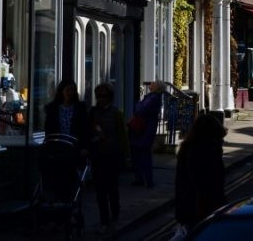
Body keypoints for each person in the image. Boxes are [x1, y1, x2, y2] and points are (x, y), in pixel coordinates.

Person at [174, 113, 227, 236]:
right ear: (210, 135)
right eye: (219, 138)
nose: (222, 141)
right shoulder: (200, 151)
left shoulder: (191, 148)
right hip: (199, 211)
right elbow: (201, 183)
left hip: (194, 209)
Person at [89, 82, 127, 233]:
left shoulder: (116, 113)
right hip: (98, 155)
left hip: (112, 155)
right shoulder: (92, 113)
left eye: (104, 96)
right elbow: (88, 131)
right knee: (100, 190)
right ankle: (104, 218)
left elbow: (123, 136)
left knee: (112, 188)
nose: (101, 99)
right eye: (99, 96)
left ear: (110, 98)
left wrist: (126, 156)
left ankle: (115, 212)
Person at [128, 80, 163, 188]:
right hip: (144, 130)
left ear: (156, 88)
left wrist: (138, 103)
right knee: (141, 155)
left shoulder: (153, 98)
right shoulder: (152, 97)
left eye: (153, 83)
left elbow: (140, 109)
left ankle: (146, 180)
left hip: (144, 130)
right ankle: (142, 179)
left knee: (143, 155)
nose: (150, 84)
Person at [43, 79, 89, 145]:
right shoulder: (52, 109)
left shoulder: (80, 108)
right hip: (57, 145)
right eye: (67, 90)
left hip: (75, 146)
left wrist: (84, 146)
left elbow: (84, 129)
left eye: (72, 90)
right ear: (62, 91)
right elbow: (48, 128)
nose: (70, 93)